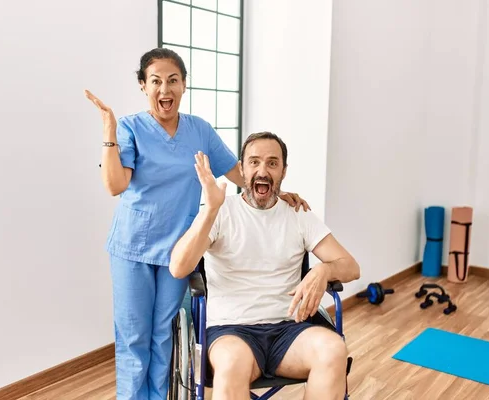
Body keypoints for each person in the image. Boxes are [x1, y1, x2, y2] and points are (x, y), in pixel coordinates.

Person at [84, 49, 310, 400]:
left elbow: (240, 174)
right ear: (144, 86)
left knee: (163, 336)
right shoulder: (129, 127)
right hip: (133, 248)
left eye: (173, 80)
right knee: (134, 337)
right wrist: (109, 130)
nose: (165, 89)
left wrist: (280, 192)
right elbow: (115, 185)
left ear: (184, 85)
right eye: (156, 81)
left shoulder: (199, 131)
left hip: (179, 251)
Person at [169, 131, 361, 400]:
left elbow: (351, 266)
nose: (263, 170)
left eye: (272, 163)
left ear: (283, 171)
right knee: (231, 364)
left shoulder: (298, 214)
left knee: (333, 349)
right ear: (242, 169)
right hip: (231, 330)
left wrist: (323, 270)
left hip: (290, 328)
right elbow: (178, 268)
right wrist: (210, 209)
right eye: (254, 162)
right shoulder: (221, 211)